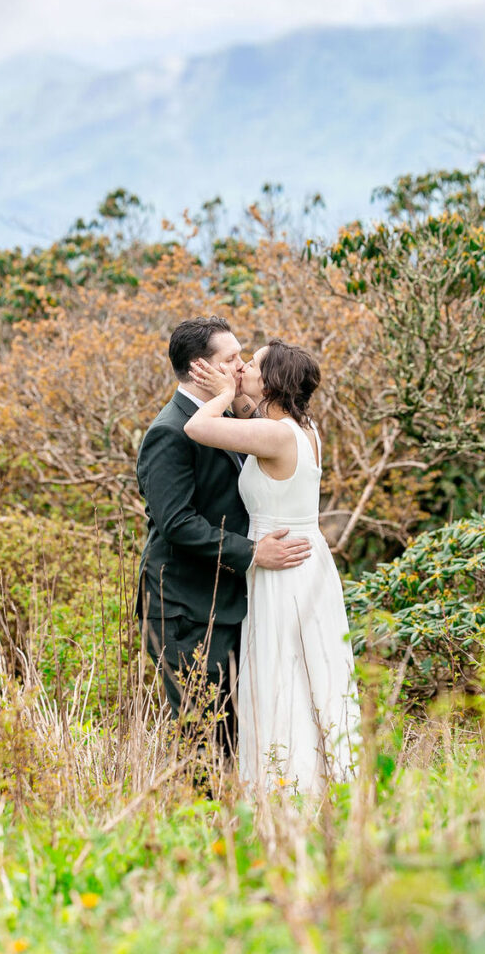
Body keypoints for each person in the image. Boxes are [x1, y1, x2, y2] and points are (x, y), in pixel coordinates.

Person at [185, 339, 360, 793]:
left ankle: (291, 788)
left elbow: (197, 428)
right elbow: (253, 418)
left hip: (284, 567)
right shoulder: (300, 427)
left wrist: (222, 394)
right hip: (302, 559)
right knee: (304, 672)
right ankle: (316, 782)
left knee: (284, 673)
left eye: (253, 365)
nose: (242, 367)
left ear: (274, 380)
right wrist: (239, 393)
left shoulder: (277, 435)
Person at [135, 317, 312, 759]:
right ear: (200, 368)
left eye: (240, 357)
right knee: (204, 738)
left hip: (228, 603)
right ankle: (205, 825)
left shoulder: (231, 415)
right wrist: (252, 553)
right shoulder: (169, 431)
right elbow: (176, 523)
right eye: (230, 359)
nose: (240, 366)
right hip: (185, 609)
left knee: (237, 732)